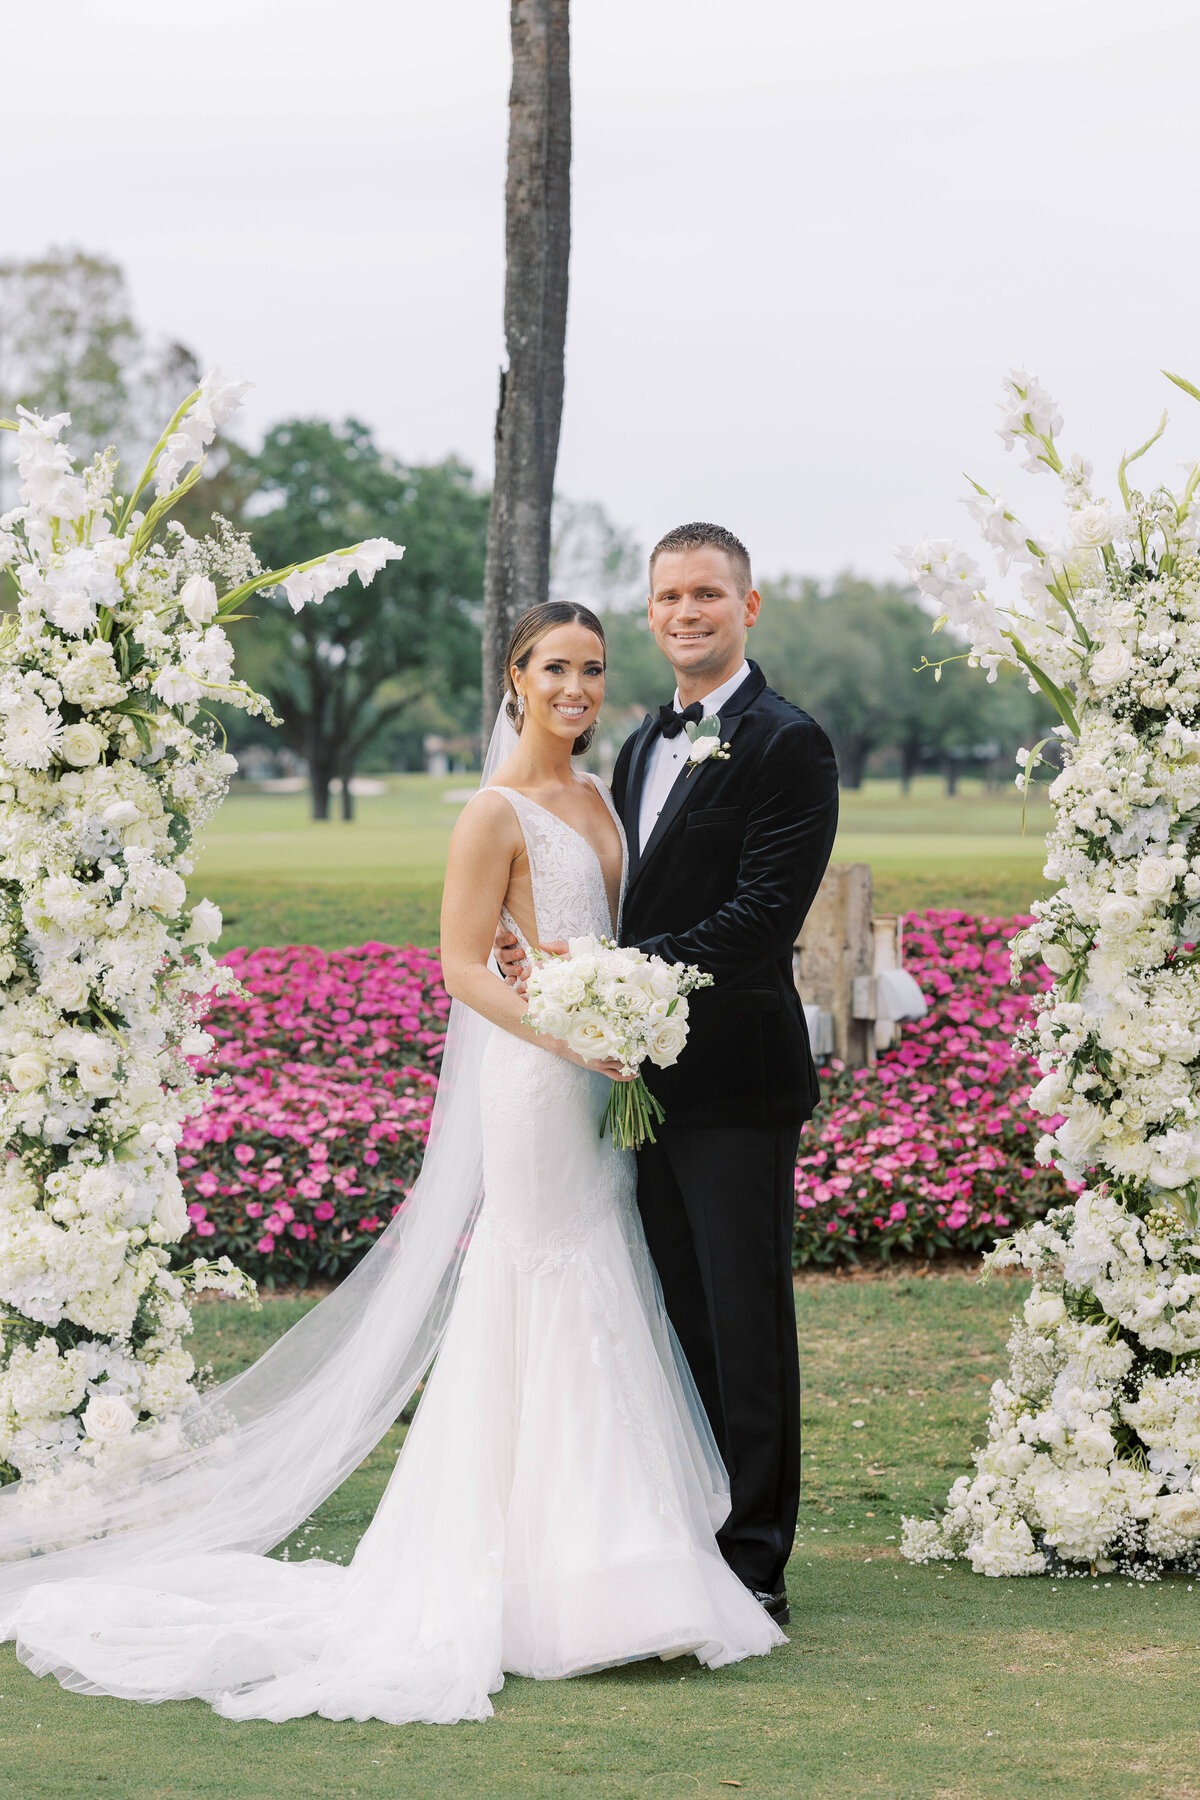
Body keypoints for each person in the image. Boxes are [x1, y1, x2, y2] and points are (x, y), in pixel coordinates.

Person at [0, 601, 782, 1725]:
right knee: (539, 1280)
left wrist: (623, 1010)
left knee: (605, 1279)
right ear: (514, 677)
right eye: (554, 668)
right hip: (536, 1078)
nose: (577, 688)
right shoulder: (491, 811)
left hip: (605, 1074)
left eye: (593, 670)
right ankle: (521, 1575)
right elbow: (465, 967)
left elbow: (600, 934)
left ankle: (611, 1563)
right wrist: (569, 1030)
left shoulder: (602, 793)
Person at [497, 523, 839, 1619]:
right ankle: (683, 1530)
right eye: (667, 599)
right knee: (668, 1314)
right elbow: (612, 896)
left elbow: (757, 922)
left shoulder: (791, 745)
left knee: (746, 1327)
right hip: (634, 1087)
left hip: (737, 1085)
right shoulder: (641, 745)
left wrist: (603, 970)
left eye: (706, 595)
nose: (685, 614)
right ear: (651, 613)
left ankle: (755, 1559)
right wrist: (549, 962)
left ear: (750, 606)